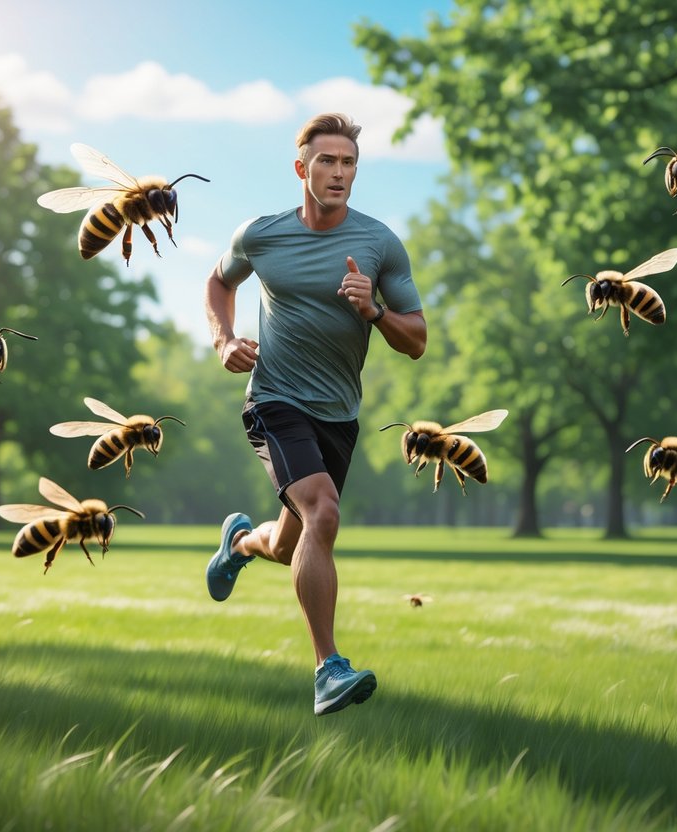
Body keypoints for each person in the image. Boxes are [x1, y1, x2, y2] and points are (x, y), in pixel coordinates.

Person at [203, 112, 427, 716]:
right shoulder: (262, 234)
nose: (338, 173)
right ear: (302, 169)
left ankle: (241, 544)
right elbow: (218, 283)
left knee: (290, 542)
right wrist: (225, 340)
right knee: (324, 509)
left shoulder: (379, 245)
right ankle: (328, 669)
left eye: (348, 162)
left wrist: (374, 312)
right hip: (273, 400)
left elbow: (417, 340)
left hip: (339, 415)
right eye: (326, 161)